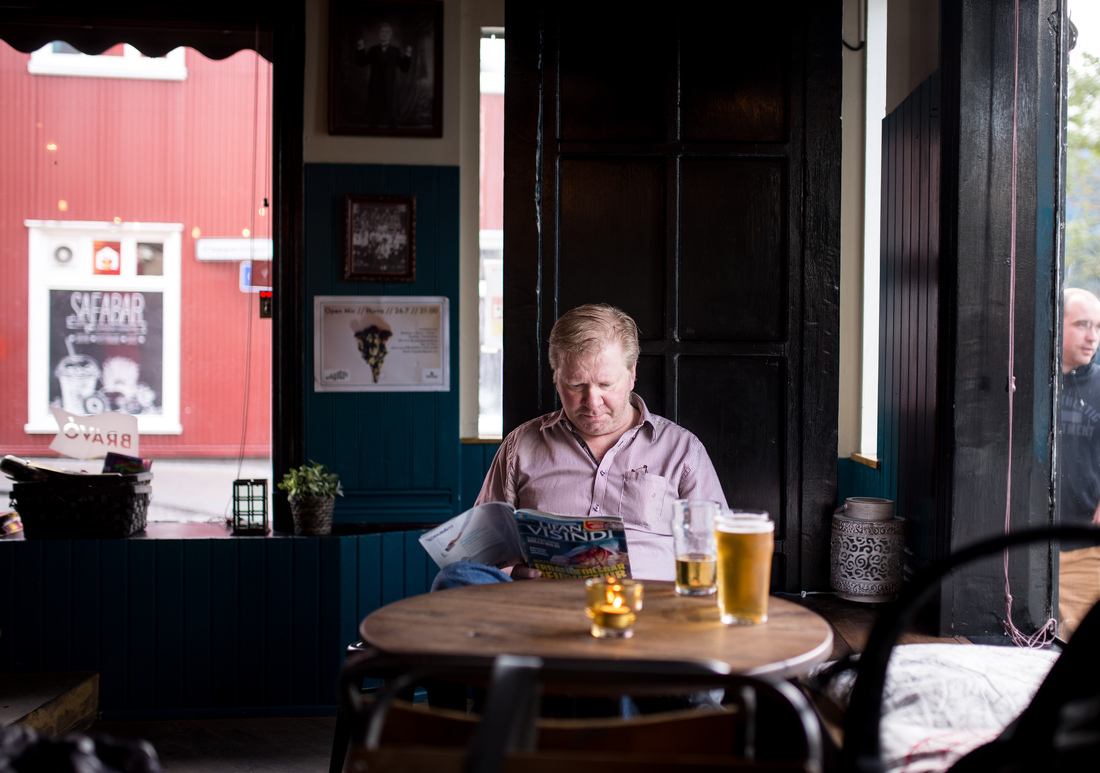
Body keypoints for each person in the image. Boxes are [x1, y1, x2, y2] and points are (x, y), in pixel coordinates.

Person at [434, 303, 727, 589]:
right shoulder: (521, 445)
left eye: (605, 384)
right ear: (556, 378)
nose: (592, 401)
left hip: (646, 606)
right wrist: (519, 571)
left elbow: (720, 552)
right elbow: (483, 552)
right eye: (576, 386)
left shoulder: (681, 449)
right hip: (540, 602)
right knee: (457, 576)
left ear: (632, 374)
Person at [1058, 287, 1100, 638]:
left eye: (1098, 327)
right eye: (1083, 325)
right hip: (1031, 547)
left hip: (1085, 545)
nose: (1092, 338)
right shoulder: (1039, 382)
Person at [354, 22, 412, 128]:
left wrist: (408, 55)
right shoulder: (373, 49)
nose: (384, 34)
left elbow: (404, 68)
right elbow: (361, 63)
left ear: (391, 35)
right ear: (379, 34)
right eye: (382, 31)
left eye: (387, 32)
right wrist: (360, 48)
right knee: (374, 113)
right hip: (375, 85)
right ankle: (373, 127)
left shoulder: (395, 51)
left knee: (391, 113)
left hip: (390, 85)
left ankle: (392, 127)